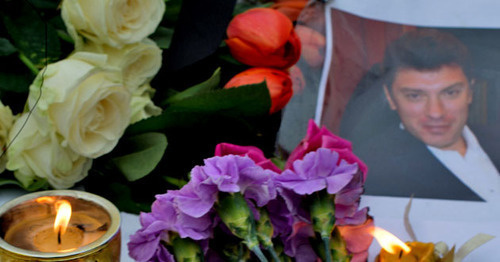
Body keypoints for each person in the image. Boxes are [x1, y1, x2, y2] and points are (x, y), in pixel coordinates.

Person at [353, 29, 500, 201]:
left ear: (470, 92)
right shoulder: (372, 173)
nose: (436, 112)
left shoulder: (494, 139)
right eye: (415, 96)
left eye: (450, 93)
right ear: (390, 98)